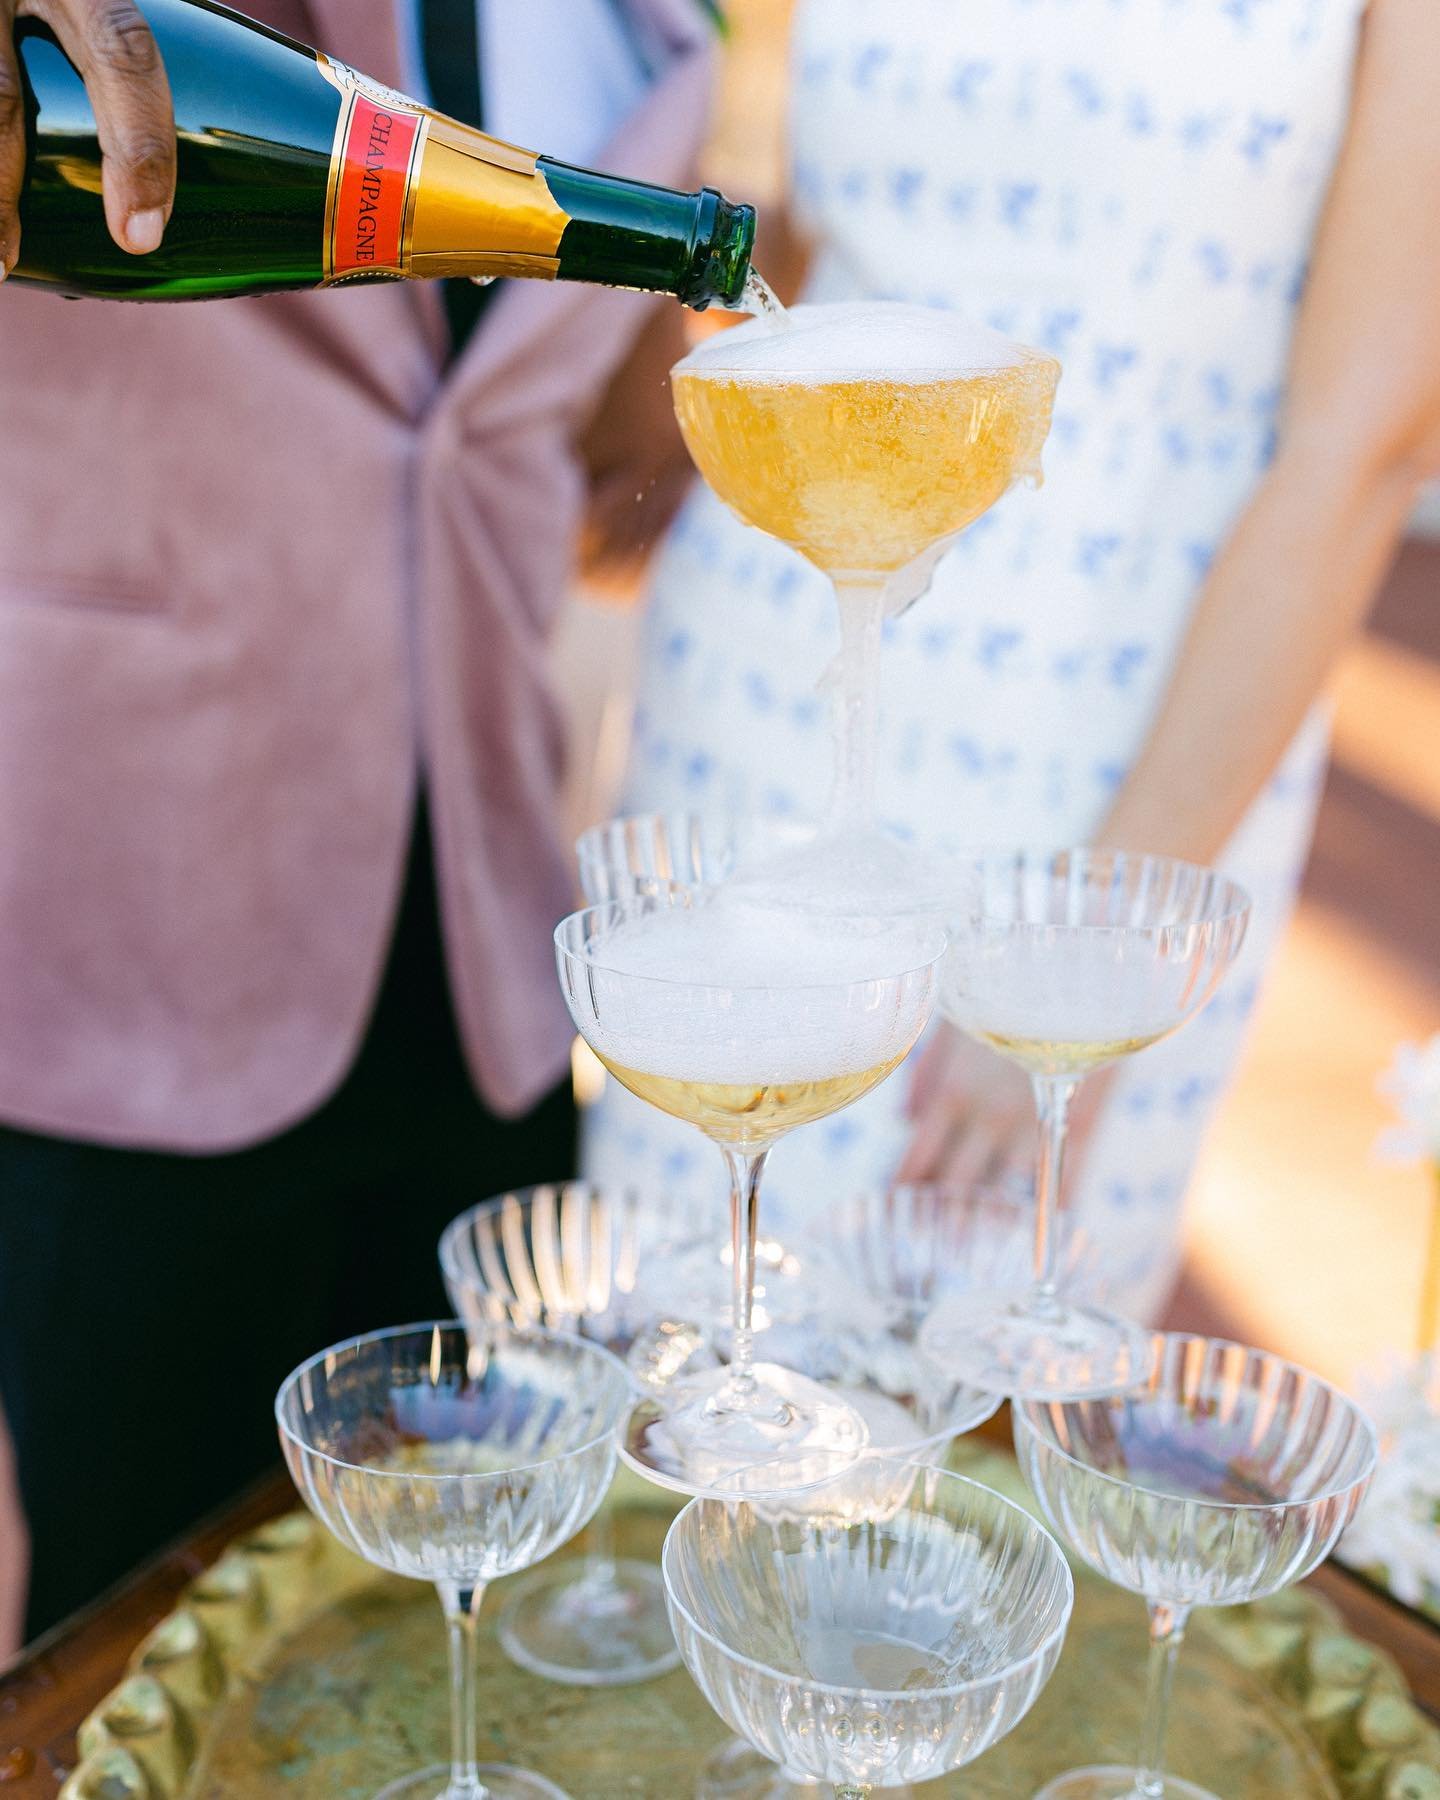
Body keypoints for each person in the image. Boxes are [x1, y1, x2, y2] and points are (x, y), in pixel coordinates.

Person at [0, 0, 714, 1646]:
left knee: (463, 1616)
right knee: (147, 1645)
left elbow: (494, 412)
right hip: (139, 930)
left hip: (487, 953)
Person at [583, 0, 1440, 1321]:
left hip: (1113, 753)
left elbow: (1363, 449)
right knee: (690, 1326)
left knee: (968, 1396)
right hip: (768, 686)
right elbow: (819, 240)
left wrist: (1097, 933)